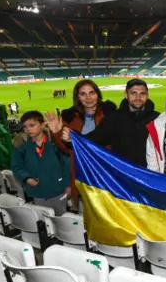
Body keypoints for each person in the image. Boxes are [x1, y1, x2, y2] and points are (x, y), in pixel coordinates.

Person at [46, 79, 116, 209]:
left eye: (91, 93)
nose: (88, 98)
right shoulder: (70, 118)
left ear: (98, 94)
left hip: (106, 176)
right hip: (83, 176)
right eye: (83, 94)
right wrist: (56, 133)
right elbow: (68, 151)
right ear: (77, 97)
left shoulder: (110, 115)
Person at [59, 78, 159, 167]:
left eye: (142, 93)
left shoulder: (158, 119)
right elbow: (94, 139)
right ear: (126, 95)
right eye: (133, 93)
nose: (138, 97)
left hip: (150, 177)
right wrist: (72, 139)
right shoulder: (114, 118)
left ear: (147, 95)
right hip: (123, 177)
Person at [11, 111, 70, 215]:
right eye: (25, 127)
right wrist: (27, 178)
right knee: (44, 220)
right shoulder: (21, 145)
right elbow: (16, 166)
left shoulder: (55, 142)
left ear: (43, 125)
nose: (28, 129)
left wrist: (68, 185)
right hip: (37, 191)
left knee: (60, 219)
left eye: (32, 125)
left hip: (58, 189)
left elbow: (67, 164)